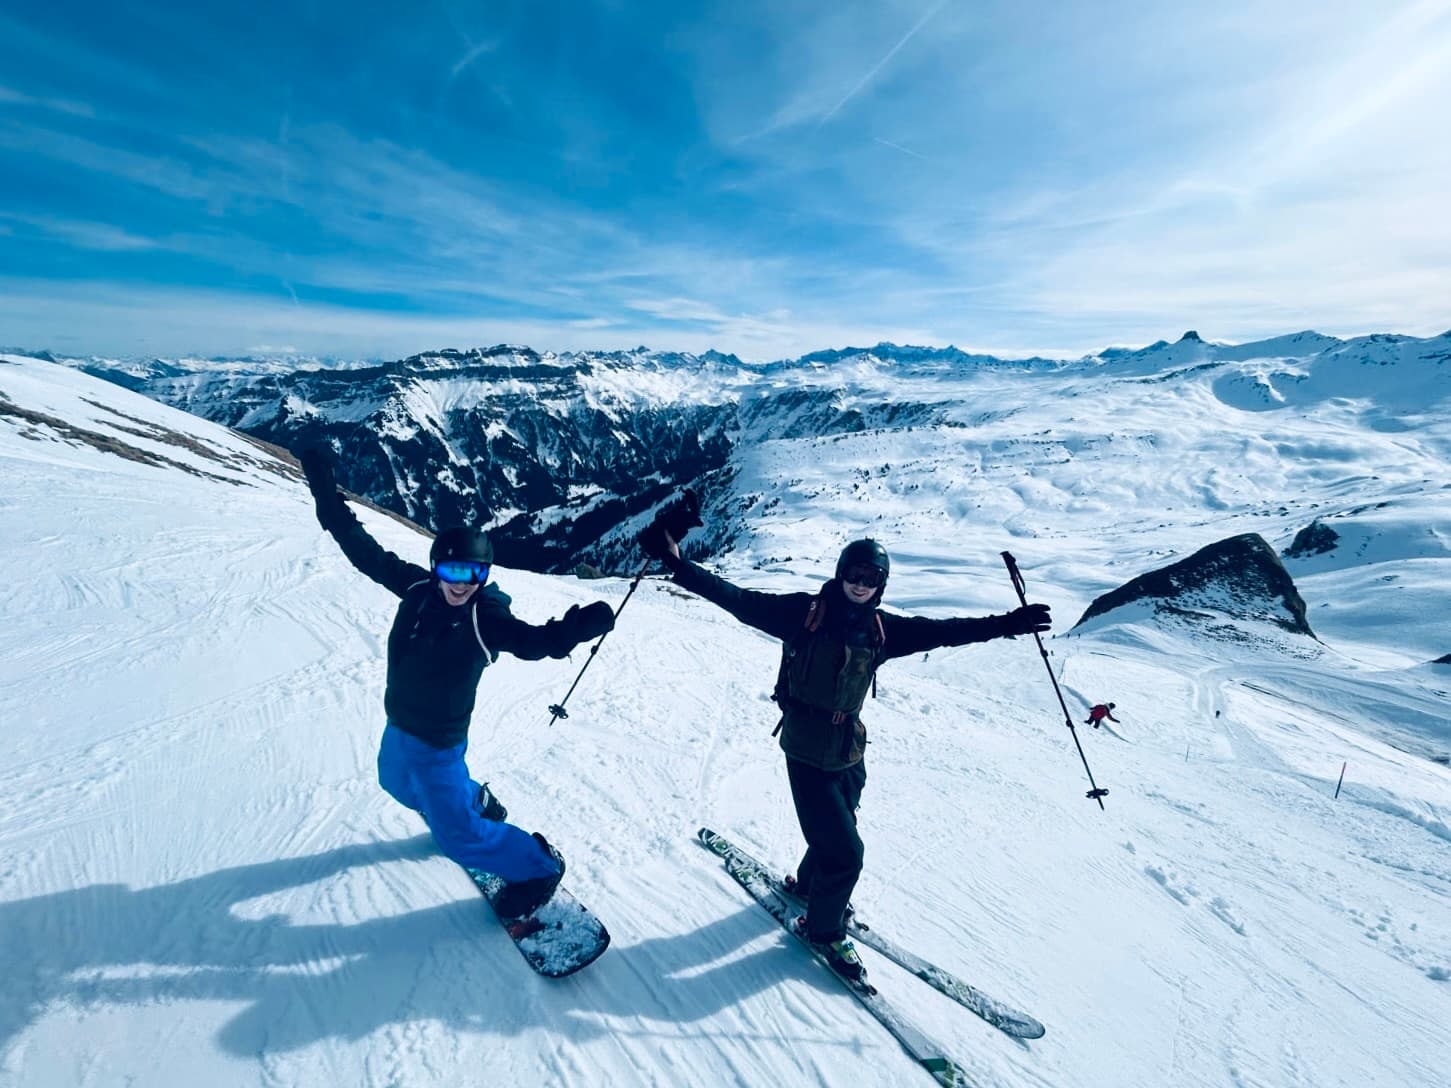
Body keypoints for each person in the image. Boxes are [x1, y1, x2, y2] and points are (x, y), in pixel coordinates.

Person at [644, 526, 1051, 983]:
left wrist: (1006, 624)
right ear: (840, 573)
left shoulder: (882, 630)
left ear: (881, 584)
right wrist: (677, 563)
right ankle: (823, 930)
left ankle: (811, 887)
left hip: (849, 750)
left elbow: (945, 632)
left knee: (840, 827)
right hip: (806, 749)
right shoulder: (803, 614)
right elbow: (738, 599)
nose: (860, 584)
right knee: (847, 854)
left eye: (871, 578)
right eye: (854, 574)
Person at [298, 446, 616, 919]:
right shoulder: (415, 589)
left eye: (474, 574)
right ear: (436, 569)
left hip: (440, 744)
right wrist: (325, 492)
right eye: (452, 571)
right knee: (393, 781)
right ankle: (475, 801)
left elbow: (533, 642)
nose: (461, 583)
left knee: (457, 838)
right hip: (400, 726)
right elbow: (363, 551)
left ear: (484, 575)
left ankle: (538, 867)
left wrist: (575, 629)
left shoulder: (484, 618)